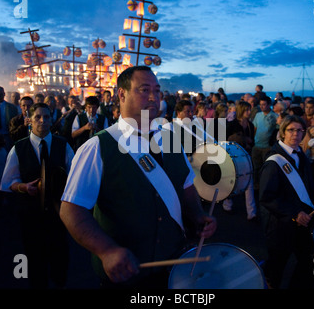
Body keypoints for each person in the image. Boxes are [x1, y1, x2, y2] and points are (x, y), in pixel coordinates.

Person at [59, 66, 216, 288]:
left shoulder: (172, 139)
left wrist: (198, 215)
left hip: (176, 266)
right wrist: (106, 251)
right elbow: (71, 210)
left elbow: (186, 186)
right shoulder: (97, 147)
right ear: (121, 94)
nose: (153, 97)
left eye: (157, 90)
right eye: (144, 90)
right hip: (125, 274)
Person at [259, 115, 314, 289]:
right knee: (276, 267)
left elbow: (309, 183)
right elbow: (267, 197)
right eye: (291, 130)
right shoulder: (274, 161)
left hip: (303, 222)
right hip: (281, 226)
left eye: (300, 130)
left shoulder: (300, 154)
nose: (296, 134)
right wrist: (294, 213)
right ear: (282, 132)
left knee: (306, 262)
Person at [0, 102, 74, 289]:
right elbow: (8, 182)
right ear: (29, 120)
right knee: (34, 256)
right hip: (30, 214)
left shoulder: (63, 145)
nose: (43, 121)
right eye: (38, 117)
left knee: (60, 256)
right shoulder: (19, 148)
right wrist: (24, 187)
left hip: (58, 214)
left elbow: (75, 176)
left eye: (47, 117)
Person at [224, 101, 257, 219]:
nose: (249, 112)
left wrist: (249, 142)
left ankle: (251, 213)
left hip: (246, 156)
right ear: (241, 110)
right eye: (246, 110)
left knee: (249, 183)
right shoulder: (232, 125)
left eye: (249, 110)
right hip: (233, 157)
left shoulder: (250, 125)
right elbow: (225, 141)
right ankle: (227, 204)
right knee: (231, 181)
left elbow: (252, 141)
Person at [252, 96, 278, 188]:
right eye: (260, 105)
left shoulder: (275, 116)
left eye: (264, 104)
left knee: (266, 168)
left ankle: (265, 186)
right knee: (256, 167)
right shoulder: (258, 115)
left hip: (268, 146)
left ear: (269, 105)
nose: (262, 107)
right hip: (257, 145)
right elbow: (255, 128)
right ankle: (256, 185)